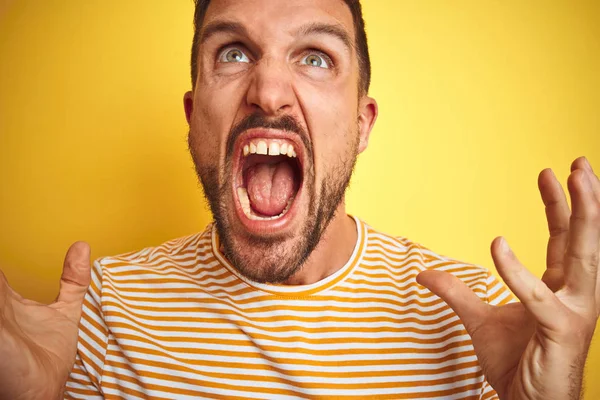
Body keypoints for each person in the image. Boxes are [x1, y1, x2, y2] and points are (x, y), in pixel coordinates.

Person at [0, 0, 598, 399]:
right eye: (233, 52)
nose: (268, 91)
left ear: (363, 125)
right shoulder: (105, 311)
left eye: (315, 57)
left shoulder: (483, 327)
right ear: (192, 117)